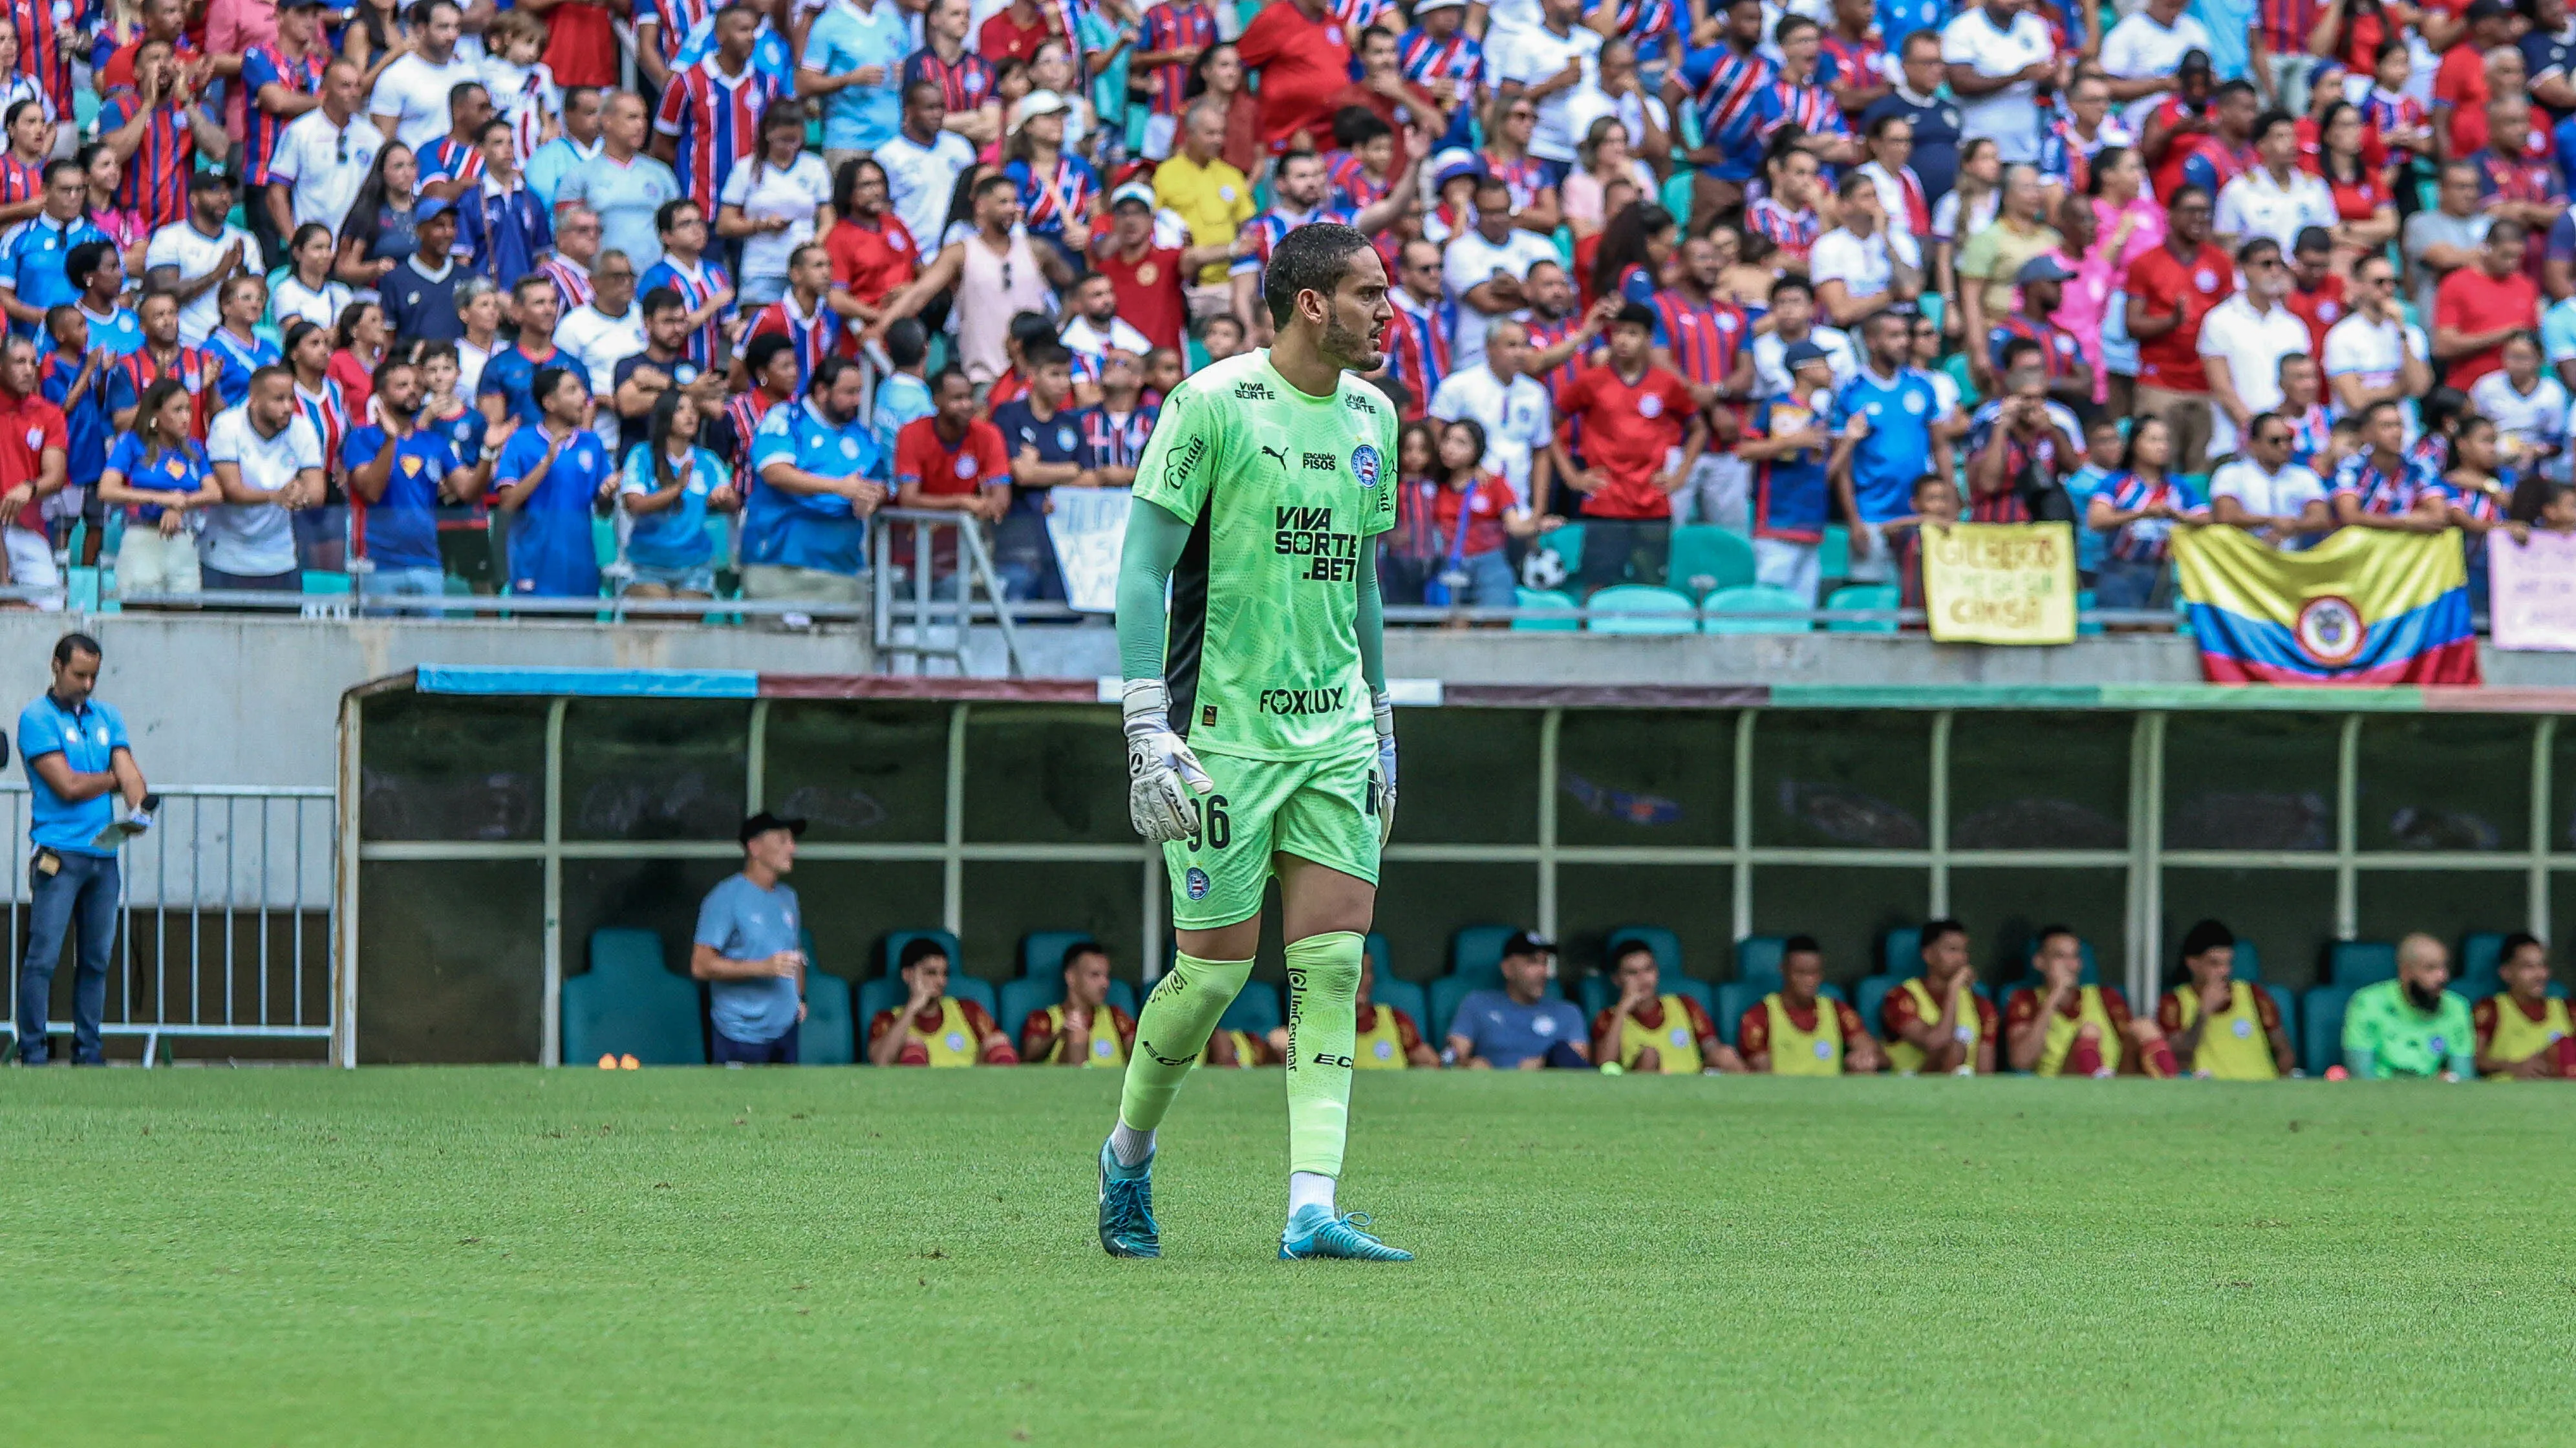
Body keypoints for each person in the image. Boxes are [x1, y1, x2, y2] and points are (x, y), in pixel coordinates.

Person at [1097, 220, 1411, 1264]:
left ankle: (1308, 1210)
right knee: (1212, 979)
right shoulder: (1209, 406)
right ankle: (1127, 1157)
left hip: (1330, 739)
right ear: (1311, 303)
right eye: (1368, 293)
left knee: (1330, 970)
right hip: (1220, 739)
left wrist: (1380, 717)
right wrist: (1145, 722)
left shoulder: (1375, 415)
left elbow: (1361, 581)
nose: (1385, 310)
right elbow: (1141, 569)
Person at [16, 634, 152, 1064]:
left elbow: (130, 770)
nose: (88, 684)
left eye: (94, 675)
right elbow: (69, 786)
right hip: (58, 854)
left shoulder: (107, 715)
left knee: (97, 959)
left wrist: (138, 807)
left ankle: (89, 1051)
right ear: (56, 666)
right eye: (80, 675)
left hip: (102, 856)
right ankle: (33, 1050)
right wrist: (116, 780)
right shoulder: (36, 717)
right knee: (44, 957)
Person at [1552, 301, 1703, 591]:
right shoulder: (1590, 382)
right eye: (1618, 332)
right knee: (1596, 584)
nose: (1622, 340)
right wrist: (1572, 476)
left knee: (1652, 586)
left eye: (1632, 333)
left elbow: (1697, 429)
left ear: (1649, 339)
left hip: (1652, 502)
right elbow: (1549, 425)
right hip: (1605, 500)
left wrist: (1680, 475)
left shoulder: (1667, 384)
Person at [744, 354, 887, 611]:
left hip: (841, 570)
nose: (857, 400)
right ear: (822, 391)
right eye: (849, 392)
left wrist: (872, 497)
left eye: (860, 392)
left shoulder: (861, 435)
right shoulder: (787, 419)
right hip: (781, 566)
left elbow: (879, 481)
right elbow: (774, 471)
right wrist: (838, 487)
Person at [343, 353, 482, 606]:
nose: (413, 391)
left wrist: (487, 455)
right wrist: (389, 440)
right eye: (402, 386)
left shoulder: (434, 441)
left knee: (428, 646)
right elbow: (371, 492)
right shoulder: (362, 438)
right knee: (378, 646)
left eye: (417, 386)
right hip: (376, 564)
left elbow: (467, 490)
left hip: (427, 563)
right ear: (381, 395)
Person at [684, 811, 810, 1065]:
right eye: (783, 840)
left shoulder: (788, 897)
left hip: (786, 1029)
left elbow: (794, 951)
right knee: (739, 1105)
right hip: (740, 1034)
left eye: (793, 841)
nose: (792, 848)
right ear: (755, 847)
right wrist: (763, 967)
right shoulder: (725, 898)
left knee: (788, 1105)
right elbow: (701, 965)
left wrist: (799, 999)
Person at [2125, 186, 2233, 476]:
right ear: (2170, 215)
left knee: (2202, 467)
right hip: (2160, 383)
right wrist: (2171, 321)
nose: (2200, 218)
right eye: (2191, 211)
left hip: (2206, 384)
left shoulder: (2220, 261)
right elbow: (2132, 325)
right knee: (2158, 464)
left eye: (2205, 212)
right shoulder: (2145, 264)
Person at [492, 365, 617, 598]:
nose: (583, 396)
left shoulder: (593, 443)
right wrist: (547, 461)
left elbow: (603, 510)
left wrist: (608, 493)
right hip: (533, 567)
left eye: (582, 389)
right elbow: (507, 504)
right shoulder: (521, 441)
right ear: (549, 403)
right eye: (572, 390)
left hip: (580, 569)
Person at [202, 365, 325, 593]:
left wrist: (302, 495)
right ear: (254, 400)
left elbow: (317, 492)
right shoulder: (227, 425)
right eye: (278, 399)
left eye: (291, 398)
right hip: (226, 557)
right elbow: (232, 490)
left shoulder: (303, 428)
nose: (288, 407)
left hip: (280, 559)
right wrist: (276, 496)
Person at [2001, 926, 2179, 1078]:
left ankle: (2173, 1090)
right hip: (2060, 1084)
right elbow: (2021, 1061)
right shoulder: (2024, 999)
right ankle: (2097, 1088)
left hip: (2114, 1077)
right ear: (2040, 962)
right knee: (2089, 1031)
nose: (2070, 965)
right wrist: (2054, 997)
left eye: (2075, 957)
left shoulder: (2105, 996)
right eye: (2060, 957)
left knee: (2145, 1026)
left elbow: (2130, 1046)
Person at [2196, 237, 2312, 463]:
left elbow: (2304, 387)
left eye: (2280, 264)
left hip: (2290, 443)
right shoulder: (2220, 320)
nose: (2275, 271)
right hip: (2235, 442)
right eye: (2266, 264)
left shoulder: (2294, 326)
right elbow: (2222, 388)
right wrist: (2259, 434)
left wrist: (2280, 437)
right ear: (2244, 269)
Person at [1426, 317, 1555, 504]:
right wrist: (1466, 469)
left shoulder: (1536, 393)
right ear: (1489, 347)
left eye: (1525, 345)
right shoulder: (1457, 386)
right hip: (1467, 502)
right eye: (1511, 345)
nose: (1520, 353)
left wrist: (1538, 511)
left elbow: (1541, 450)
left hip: (1519, 503)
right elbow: (1435, 435)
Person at [716, 106, 831, 312]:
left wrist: (813, 245)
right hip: (762, 266)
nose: (789, 147)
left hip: (805, 269)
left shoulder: (815, 167)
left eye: (795, 140)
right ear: (768, 133)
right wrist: (762, 225)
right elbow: (724, 224)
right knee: (760, 333)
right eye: (783, 140)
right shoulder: (747, 168)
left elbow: (828, 219)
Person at [557, 94, 685, 274]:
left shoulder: (661, 174)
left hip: (656, 283)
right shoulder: (579, 176)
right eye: (632, 117)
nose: (641, 125)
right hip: (602, 281)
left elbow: (680, 229)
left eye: (644, 117)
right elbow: (566, 237)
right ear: (607, 121)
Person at [2156, 919, 2295, 1080]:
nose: (2224, 971)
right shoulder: (2174, 1002)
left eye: (2228, 963)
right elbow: (2179, 1060)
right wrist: (2203, 1013)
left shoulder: (2254, 995)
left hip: (2262, 1089)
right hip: (2209, 1093)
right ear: (2192, 963)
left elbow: (2284, 1052)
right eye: (2214, 964)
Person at [1737, 936, 1884, 1074]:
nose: (1809, 981)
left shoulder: (1837, 1010)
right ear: (1783, 970)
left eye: (1814, 973)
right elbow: (1761, 1073)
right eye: (1801, 973)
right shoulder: (1759, 1015)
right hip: (1783, 1097)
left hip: (1833, 1097)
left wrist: (1865, 1058)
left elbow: (1871, 1050)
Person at [1442, 932, 1588, 1069]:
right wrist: (1469, 1064)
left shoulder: (1569, 1012)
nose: (1543, 972)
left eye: (1544, 963)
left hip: (1554, 1091)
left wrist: (1543, 1064)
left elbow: (1580, 1068)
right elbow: (1448, 1057)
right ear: (1507, 969)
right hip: (1493, 1089)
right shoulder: (1477, 1004)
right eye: (1532, 962)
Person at [1590, 941, 1739, 1074]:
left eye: (1648, 969)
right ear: (1617, 980)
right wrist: (1622, 1009)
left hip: (1693, 1083)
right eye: (1633, 973)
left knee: (1726, 1053)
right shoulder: (1608, 1017)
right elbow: (1605, 1066)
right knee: (1649, 1055)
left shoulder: (1684, 1004)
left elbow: (1712, 1047)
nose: (1643, 979)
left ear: (1657, 972)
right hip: (1643, 1091)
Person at [2342, 932, 2475, 1080]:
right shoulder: (2367, 1003)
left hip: (2433, 1098)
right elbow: (2362, 1075)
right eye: (2430, 969)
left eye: (2444, 967)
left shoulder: (2456, 1007)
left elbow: (2463, 1078)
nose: (2442, 977)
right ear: (2405, 972)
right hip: (2378, 1095)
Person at [0, 161, 109, 342]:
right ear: (45, 191)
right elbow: (3, 295)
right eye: (66, 190)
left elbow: (122, 297)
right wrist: (45, 318)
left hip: (89, 346)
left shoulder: (101, 239)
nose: (74, 197)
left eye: (80, 189)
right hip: (30, 346)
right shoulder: (18, 237)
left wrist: (81, 322)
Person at [868, 937, 1018, 1066]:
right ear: (908, 975)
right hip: (918, 1094)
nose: (941, 981)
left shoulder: (967, 1010)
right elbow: (881, 1062)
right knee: (912, 1047)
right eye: (931, 973)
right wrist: (913, 1008)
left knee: (999, 1042)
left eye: (945, 974)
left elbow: (1000, 1044)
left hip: (972, 1091)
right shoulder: (887, 1018)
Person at [1880, 918, 1997, 1074]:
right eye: (1952, 950)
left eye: (1965, 951)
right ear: (1928, 955)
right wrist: (1954, 988)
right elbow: (1936, 1042)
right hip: (1911, 1089)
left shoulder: (1981, 1004)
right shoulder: (1900, 997)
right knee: (1954, 1048)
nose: (1961, 959)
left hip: (1965, 1091)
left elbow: (1986, 1071)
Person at [2321, 253, 2431, 421]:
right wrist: (2402, 387)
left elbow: (2420, 387)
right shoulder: (2341, 336)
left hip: (2406, 437)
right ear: (2358, 286)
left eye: (2393, 282)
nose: (2388, 289)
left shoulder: (2411, 333)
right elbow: (2356, 401)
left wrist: (2401, 331)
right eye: (2379, 282)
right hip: (2360, 436)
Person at [2433, 221, 2538, 390]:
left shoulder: (2526, 286)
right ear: (2487, 248)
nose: (2512, 263)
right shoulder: (2456, 283)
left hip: (2517, 392)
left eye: (2518, 257)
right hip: (2470, 387)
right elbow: (2443, 346)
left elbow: (2533, 341)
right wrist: (2500, 336)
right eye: (2506, 256)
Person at [2208, 404, 2332, 548]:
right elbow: (2225, 515)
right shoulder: (2230, 473)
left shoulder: (2305, 475)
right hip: (2243, 555)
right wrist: (2271, 522)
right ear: (2253, 444)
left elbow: (2321, 518)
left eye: (2289, 439)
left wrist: (2292, 527)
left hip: (2295, 555)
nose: (2284, 446)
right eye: (2275, 441)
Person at [2215, 108, 2335, 254]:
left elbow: (2329, 235)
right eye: (2281, 137)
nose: (2291, 144)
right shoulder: (2238, 190)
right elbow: (2228, 246)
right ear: (2261, 145)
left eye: (2293, 136)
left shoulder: (2315, 186)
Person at [366, 0, 475, 153]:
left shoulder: (469, 74)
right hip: (416, 171)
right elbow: (383, 144)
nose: (452, 35)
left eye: (457, 27)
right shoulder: (396, 77)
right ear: (422, 29)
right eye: (443, 27)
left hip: (463, 170)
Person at [2332, 399, 2452, 531]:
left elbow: (2439, 516)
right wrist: (2406, 521)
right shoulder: (2351, 467)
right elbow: (2349, 517)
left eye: (2399, 425)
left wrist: (2374, 520)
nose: (2396, 433)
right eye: (2387, 426)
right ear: (2367, 433)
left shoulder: (2420, 467)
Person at [1019, 941, 1140, 1067]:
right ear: (1071, 977)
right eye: (1095, 975)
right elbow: (1029, 1057)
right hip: (1062, 1085)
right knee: (1076, 1035)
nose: (1105, 984)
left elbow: (1140, 1053)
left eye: (1107, 976)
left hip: (1112, 1086)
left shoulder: (1116, 1016)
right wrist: (1060, 1035)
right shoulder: (1043, 1018)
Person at [2473, 932, 2575, 1080]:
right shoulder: (2491, 1008)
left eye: (2543, 965)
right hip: (2505, 1097)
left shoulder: (2567, 1009)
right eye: (2528, 967)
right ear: (2506, 972)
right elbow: (2475, 1060)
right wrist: (2512, 1067)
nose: (2540, 975)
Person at [377, 197, 464, 343]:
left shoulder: (467, 277)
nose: (448, 233)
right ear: (420, 230)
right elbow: (388, 339)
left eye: (453, 225)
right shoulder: (395, 280)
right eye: (440, 225)